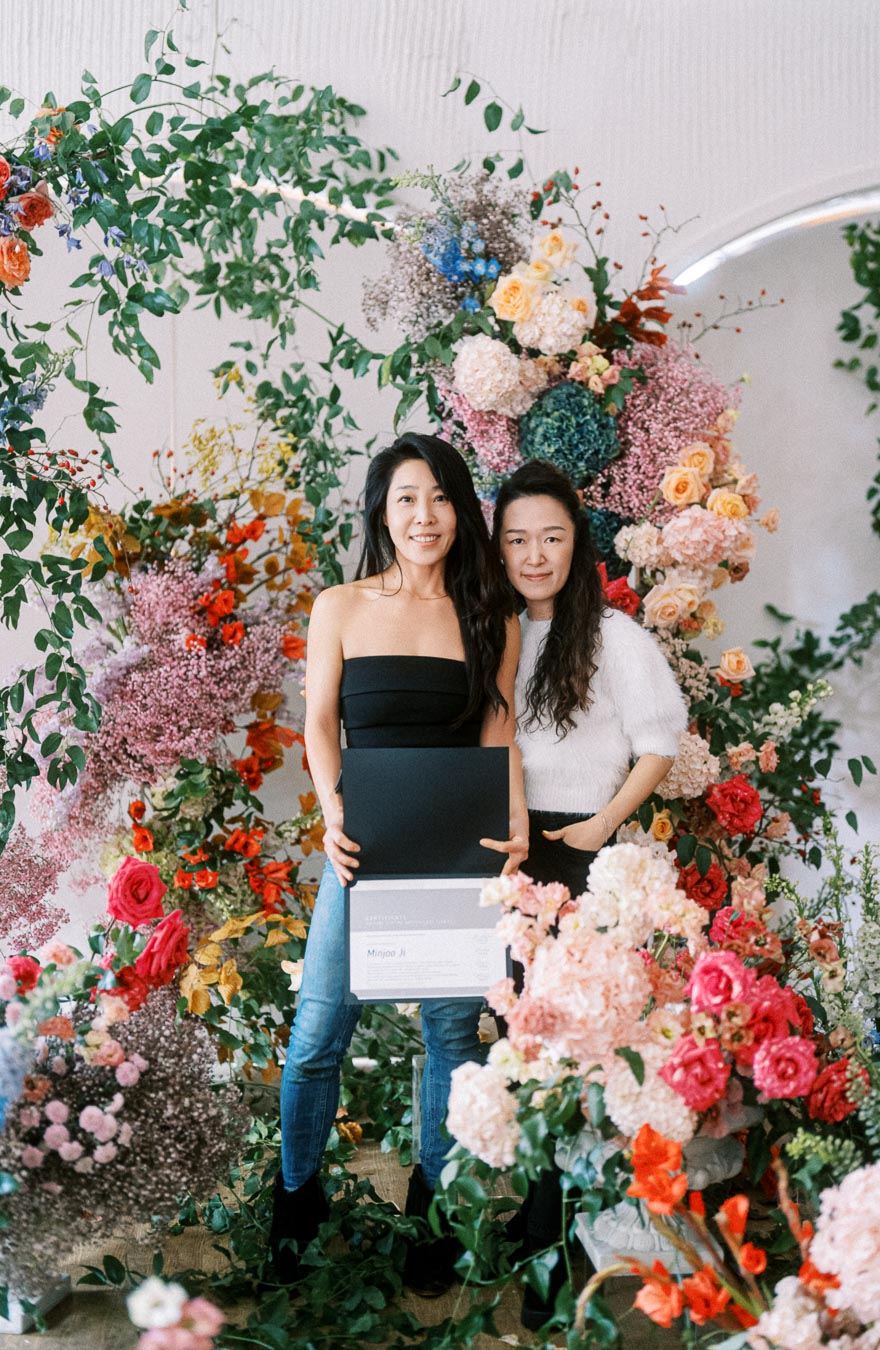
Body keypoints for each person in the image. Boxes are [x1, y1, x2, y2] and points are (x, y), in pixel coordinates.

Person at [269, 432, 528, 1297]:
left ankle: (433, 1214)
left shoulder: (494, 617)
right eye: (408, 496)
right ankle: (295, 1205)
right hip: (361, 849)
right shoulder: (338, 606)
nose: (426, 515)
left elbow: (499, 736)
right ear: (383, 507)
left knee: (451, 1037)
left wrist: (513, 824)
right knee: (314, 1038)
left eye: (442, 497)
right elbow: (318, 724)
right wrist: (332, 810)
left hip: (458, 851)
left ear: (463, 513)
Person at [489, 458, 688, 1329]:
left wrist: (603, 825)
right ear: (498, 549)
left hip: (581, 854)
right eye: (518, 540)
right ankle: (538, 1223)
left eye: (552, 538)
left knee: (574, 1054)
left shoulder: (614, 636)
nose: (535, 556)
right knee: (523, 1048)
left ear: (580, 545)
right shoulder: (491, 632)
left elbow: (659, 742)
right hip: (513, 853)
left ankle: (553, 1240)